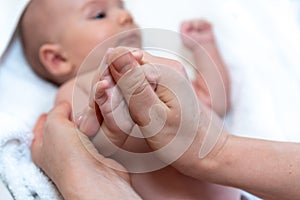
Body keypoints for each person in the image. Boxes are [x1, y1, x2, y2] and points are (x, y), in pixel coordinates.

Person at [32, 48, 300, 200]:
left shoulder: (164, 74)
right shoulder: (74, 89)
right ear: (57, 59)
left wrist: (205, 49)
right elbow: (85, 139)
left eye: (121, 8)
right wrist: (106, 131)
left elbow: (214, 99)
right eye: (100, 14)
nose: (123, 16)